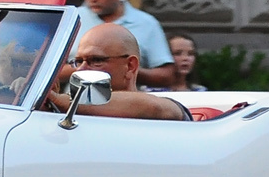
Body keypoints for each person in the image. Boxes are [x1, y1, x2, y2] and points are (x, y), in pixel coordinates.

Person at [43, 24, 188, 121]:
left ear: (130, 66)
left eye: (96, 60)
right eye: (79, 61)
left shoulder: (163, 109)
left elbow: (153, 107)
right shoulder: (69, 115)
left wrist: (58, 100)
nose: (80, 70)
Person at [75, 0, 173, 88]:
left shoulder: (146, 23)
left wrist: (125, 69)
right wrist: (88, 68)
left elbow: (167, 76)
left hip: (127, 104)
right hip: (75, 102)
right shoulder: (73, 19)